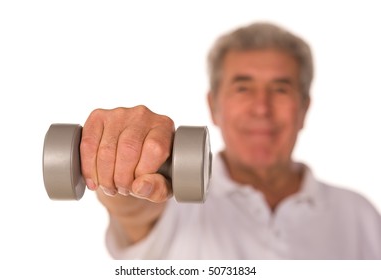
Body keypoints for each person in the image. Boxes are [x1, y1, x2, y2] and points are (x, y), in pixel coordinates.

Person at [80, 22, 381, 259]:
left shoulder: (358, 214)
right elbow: (134, 208)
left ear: (303, 109)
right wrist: (125, 167)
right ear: (213, 106)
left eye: (280, 89)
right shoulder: (177, 200)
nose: (261, 108)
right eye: (243, 88)